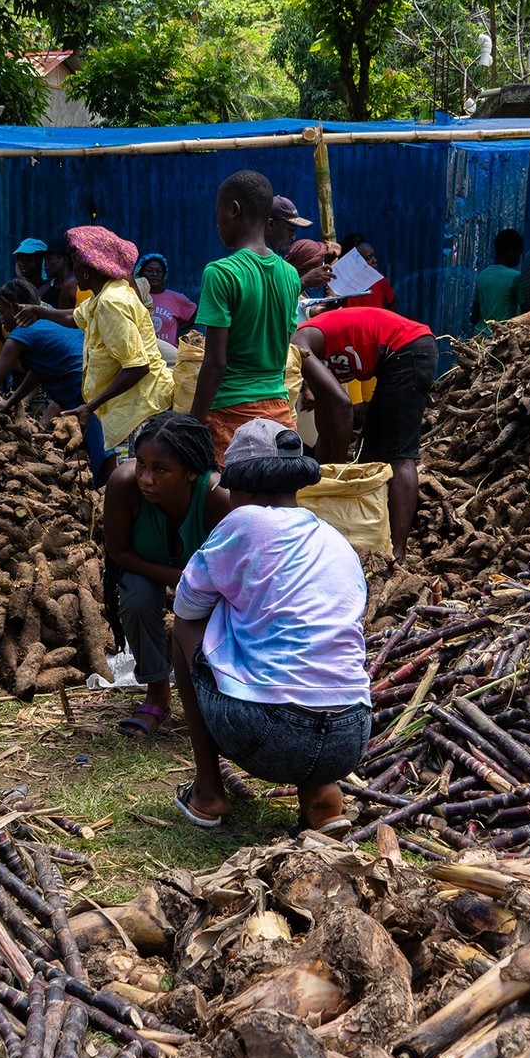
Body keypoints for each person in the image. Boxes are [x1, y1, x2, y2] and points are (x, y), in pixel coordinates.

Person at [168, 420, 371, 833]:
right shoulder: (333, 537)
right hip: (351, 734)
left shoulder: (243, 523)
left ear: (238, 487)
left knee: (184, 629)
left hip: (269, 733)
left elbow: (186, 605)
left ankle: (208, 791)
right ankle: (322, 798)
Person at [104, 412, 231, 738]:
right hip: (147, 568)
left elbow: (232, 576)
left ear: (191, 472)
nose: (145, 478)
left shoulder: (219, 501)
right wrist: (183, 577)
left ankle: (219, 692)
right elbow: (119, 553)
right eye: (142, 464)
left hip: (214, 583)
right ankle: (157, 693)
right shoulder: (123, 486)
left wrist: (193, 585)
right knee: (135, 596)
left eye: (160, 469)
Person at [292, 304, 438, 562]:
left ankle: (398, 554)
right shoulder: (304, 355)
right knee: (371, 453)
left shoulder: (298, 345)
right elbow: (325, 418)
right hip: (396, 358)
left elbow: (342, 405)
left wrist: (336, 474)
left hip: (408, 348)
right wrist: (323, 476)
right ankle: (375, 539)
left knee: (399, 454)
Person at [192, 171, 302, 459]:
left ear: (233, 209)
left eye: (219, 214)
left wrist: (192, 423)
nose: (217, 223)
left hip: (231, 414)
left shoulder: (221, 272)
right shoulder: (290, 276)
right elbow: (281, 346)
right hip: (278, 413)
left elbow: (215, 363)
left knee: (232, 500)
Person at [0, 279, 110, 482]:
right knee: (102, 450)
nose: (0, 316)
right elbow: (39, 371)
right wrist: (11, 402)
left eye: (3, 310)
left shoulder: (20, 334)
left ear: (16, 309)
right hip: (97, 385)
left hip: (84, 391)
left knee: (101, 455)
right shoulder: (48, 323)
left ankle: (108, 501)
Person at [63, 226, 175, 478]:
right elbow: (75, 316)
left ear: (86, 269)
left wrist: (90, 406)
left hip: (139, 409)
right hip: (132, 407)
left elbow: (137, 366)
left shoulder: (110, 302)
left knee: (136, 481)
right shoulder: (108, 293)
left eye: (74, 265)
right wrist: (38, 312)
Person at [138, 254, 196, 347]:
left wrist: (178, 328)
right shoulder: (134, 296)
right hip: (142, 354)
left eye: (159, 271)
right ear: (140, 273)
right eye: (149, 271)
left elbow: (196, 314)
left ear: (164, 275)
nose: (154, 274)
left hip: (169, 356)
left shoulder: (176, 298)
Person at [474, 228, 524, 330]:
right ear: (510, 253)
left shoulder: (482, 275)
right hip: (500, 338)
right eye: (519, 254)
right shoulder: (516, 277)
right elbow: (526, 312)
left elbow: (474, 317)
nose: (519, 258)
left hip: (478, 338)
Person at [338, 233, 395, 310]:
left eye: (373, 256)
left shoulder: (379, 279)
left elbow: (393, 301)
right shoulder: (339, 286)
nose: (375, 260)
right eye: (368, 258)